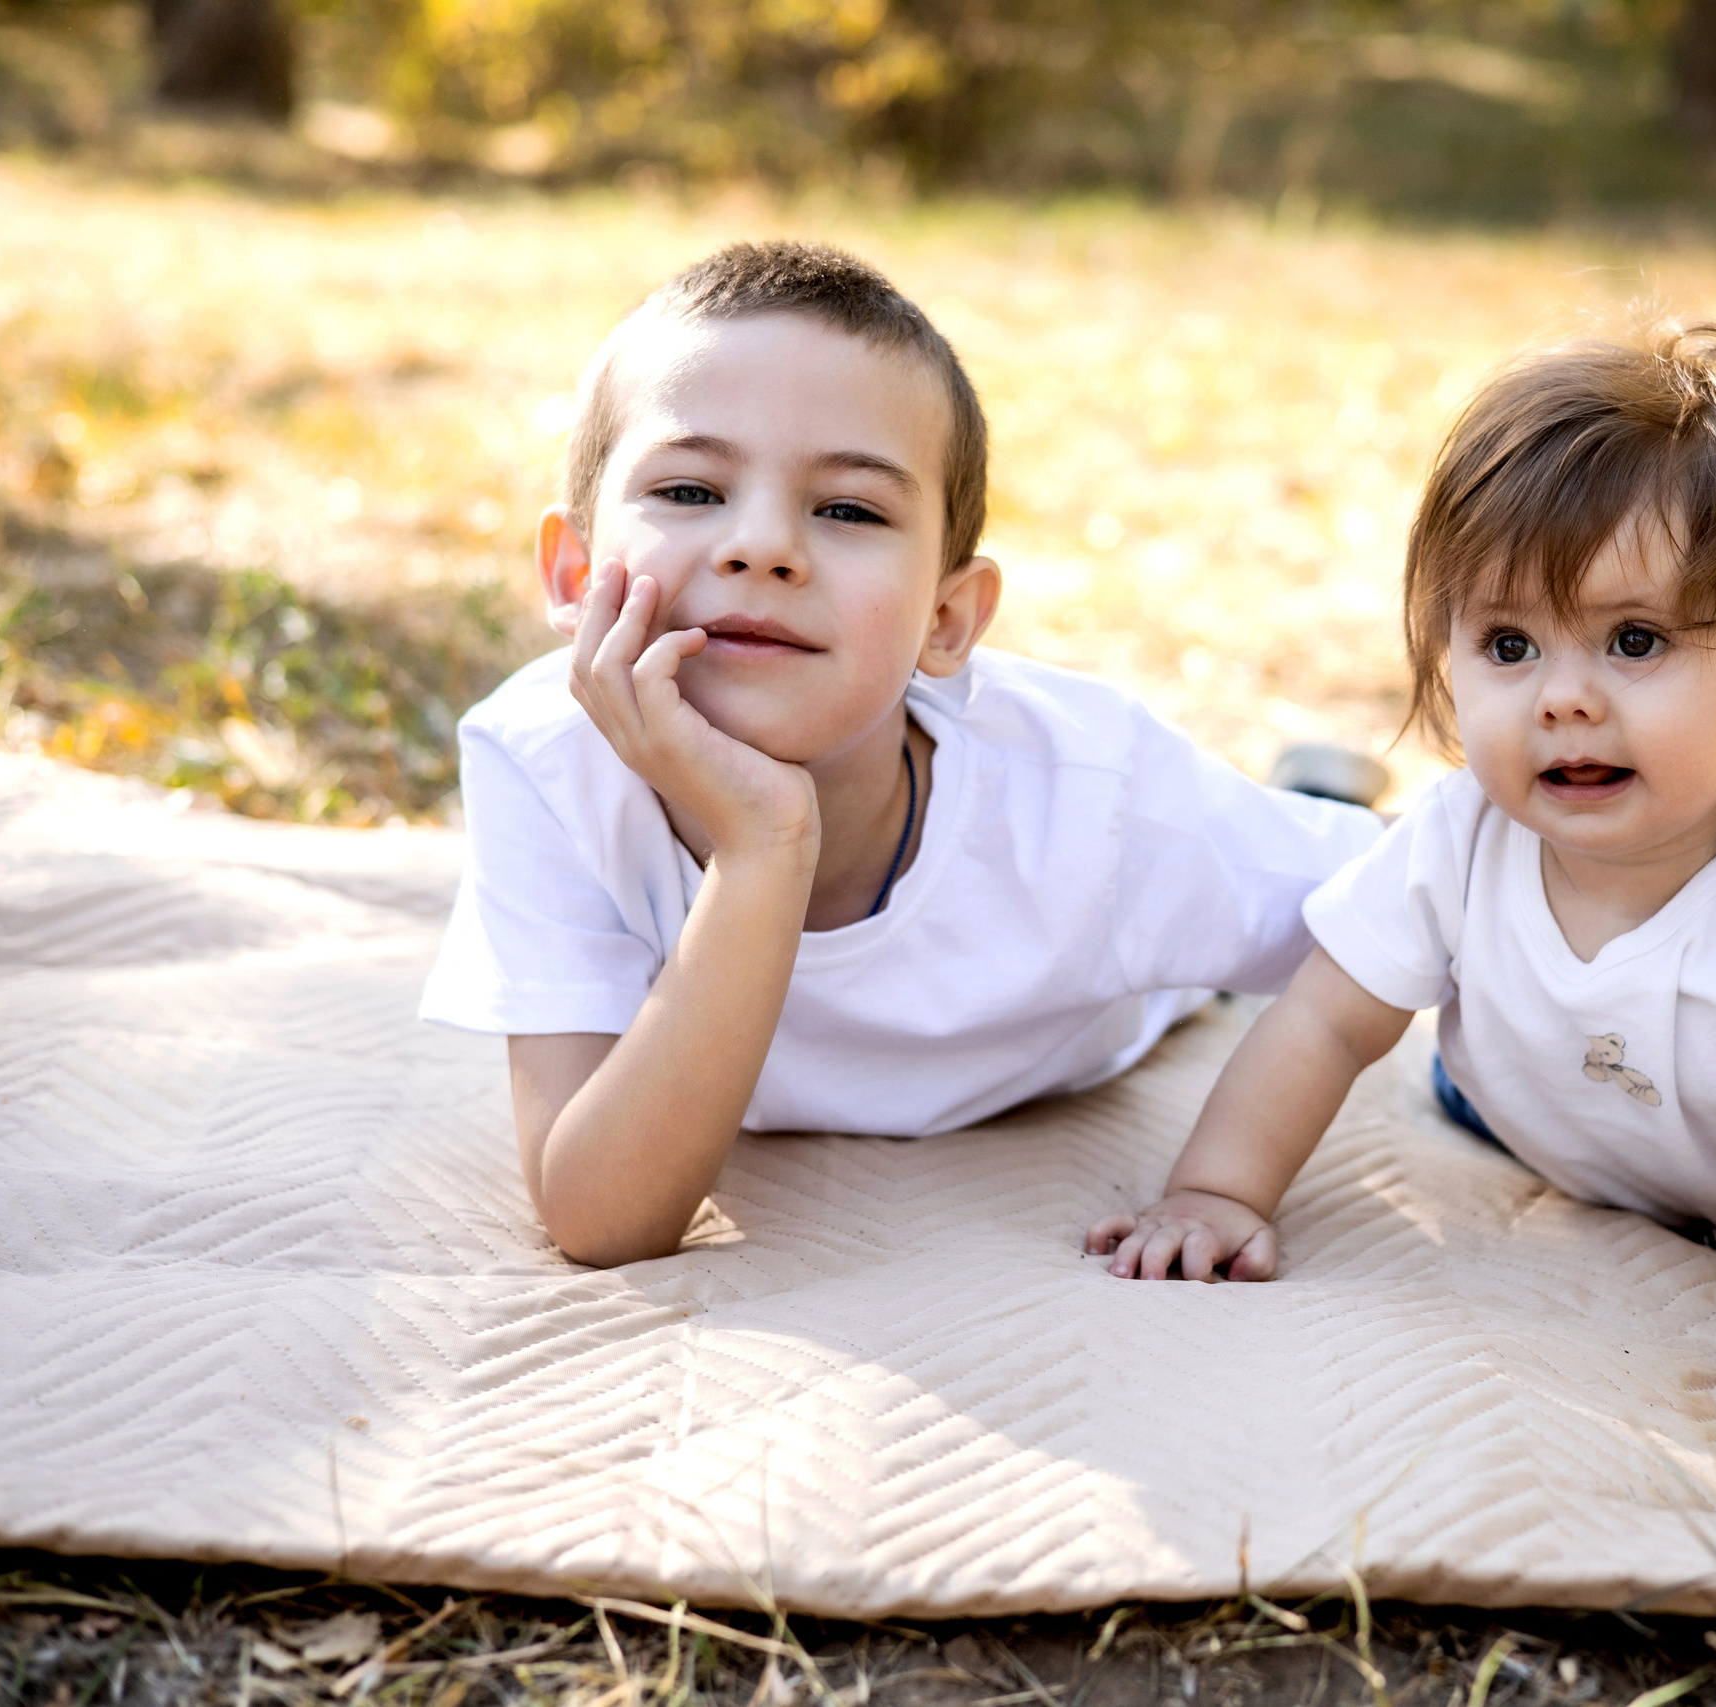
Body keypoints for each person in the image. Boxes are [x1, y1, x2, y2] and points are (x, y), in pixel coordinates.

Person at [1086, 325, 1716, 1458]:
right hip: (1567, 1104)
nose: (1563, 699)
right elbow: (1318, 1020)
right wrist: (1218, 1192)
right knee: (1458, 1059)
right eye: (1508, 645)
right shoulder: (1460, 837)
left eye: (1634, 640)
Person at [419, 240, 1388, 1267]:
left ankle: (1309, 790)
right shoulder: (543, 759)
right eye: (692, 491)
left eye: (847, 509)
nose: (761, 547)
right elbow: (602, 1217)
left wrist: (1222, 1181)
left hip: (1126, 984)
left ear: (947, 620)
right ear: (574, 573)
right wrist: (764, 847)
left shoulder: (1094, 806)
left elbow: (1423, 902)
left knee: (1303, 887)